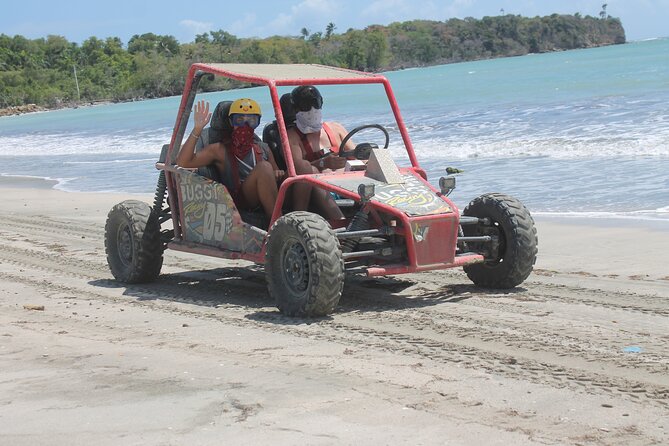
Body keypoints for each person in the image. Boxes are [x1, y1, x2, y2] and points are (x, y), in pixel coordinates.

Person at [176, 98, 284, 219]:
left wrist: (278, 173)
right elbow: (183, 162)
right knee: (264, 167)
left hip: (267, 192)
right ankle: (277, 222)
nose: (245, 126)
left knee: (304, 167)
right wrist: (197, 129)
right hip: (241, 199)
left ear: (257, 122)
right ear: (231, 122)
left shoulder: (263, 148)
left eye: (251, 120)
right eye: (239, 120)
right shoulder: (219, 150)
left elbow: (276, 172)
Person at [286, 85, 355, 221]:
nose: (312, 110)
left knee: (376, 160)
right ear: (295, 109)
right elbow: (298, 169)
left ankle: (397, 222)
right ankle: (340, 225)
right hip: (319, 189)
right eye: (306, 106)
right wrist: (323, 163)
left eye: (316, 104)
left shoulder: (336, 129)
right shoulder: (292, 136)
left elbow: (359, 155)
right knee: (309, 169)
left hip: (349, 184)